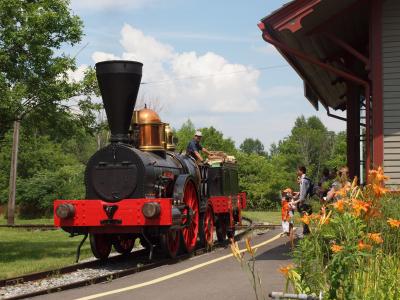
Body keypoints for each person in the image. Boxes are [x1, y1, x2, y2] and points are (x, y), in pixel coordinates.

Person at [293, 165, 312, 235]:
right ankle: (306, 233)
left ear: (302, 171)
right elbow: (304, 191)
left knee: (304, 219)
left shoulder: (303, 181)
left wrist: (296, 202)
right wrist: (298, 194)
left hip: (304, 203)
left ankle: (305, 233)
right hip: (307, 202)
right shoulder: (305, 179)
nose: (297, 172)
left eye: (298, 170)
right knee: (305, 219)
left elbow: (303, 196)